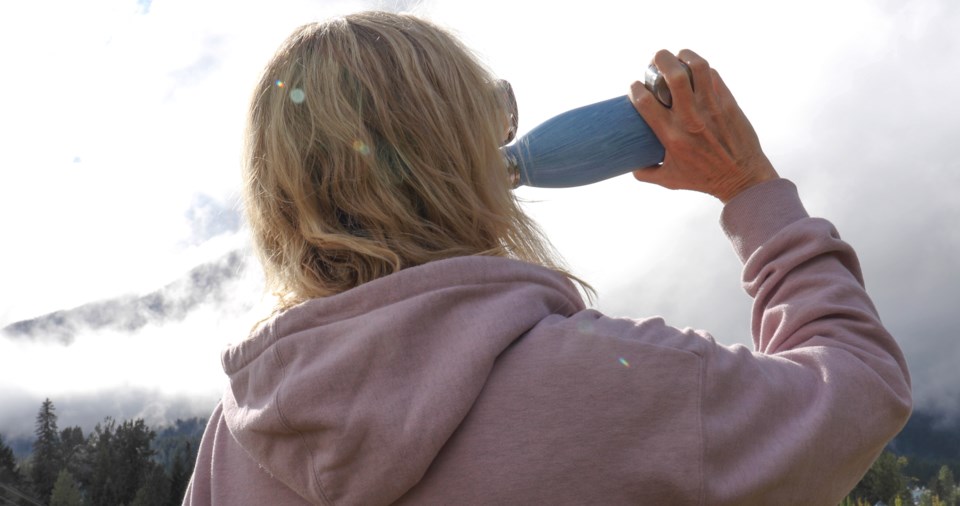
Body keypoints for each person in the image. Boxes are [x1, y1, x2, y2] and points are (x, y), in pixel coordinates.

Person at [183, 11, 911, 506]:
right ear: (465, 156)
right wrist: (750, 189)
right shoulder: (607, 384)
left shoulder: (244, 429)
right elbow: (859, 388)